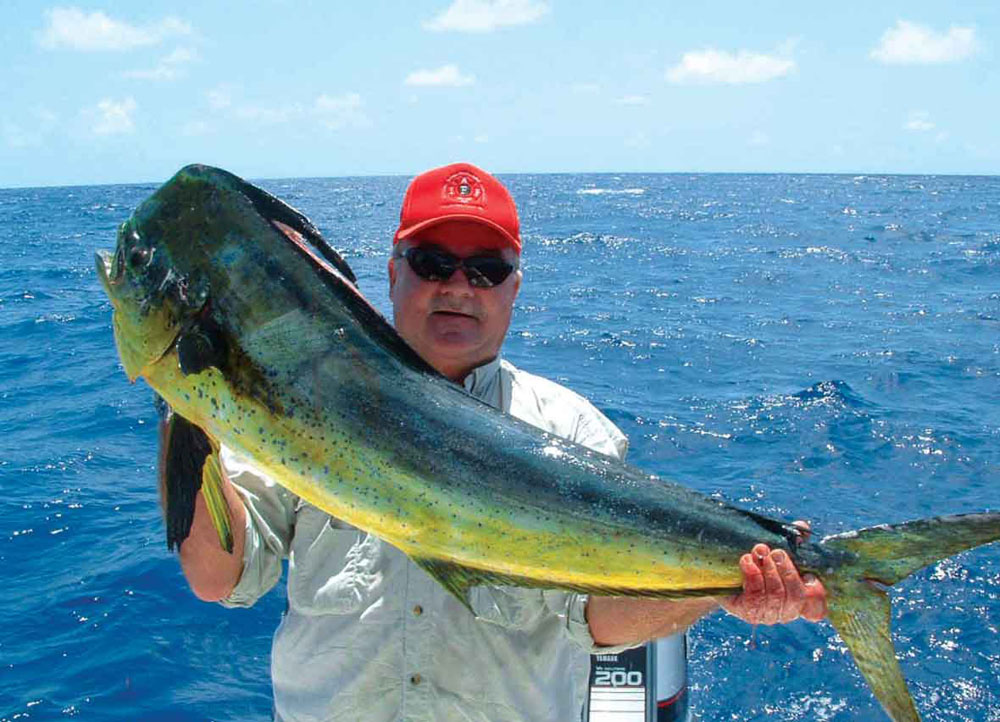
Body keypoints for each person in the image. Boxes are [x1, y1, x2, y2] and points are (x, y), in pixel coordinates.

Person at [170, 162, 827, 722]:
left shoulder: (570, 430)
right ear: (392, 273)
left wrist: (722, 586)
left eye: (486, 268)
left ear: (515, 288)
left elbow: (595, 618)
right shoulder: (297, 402)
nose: (458, 286)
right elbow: (217, 575)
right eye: (433, 262)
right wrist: (185, 408)